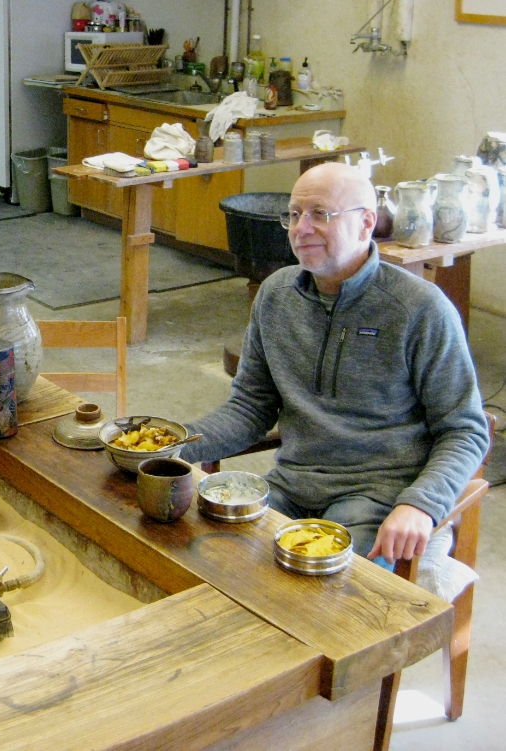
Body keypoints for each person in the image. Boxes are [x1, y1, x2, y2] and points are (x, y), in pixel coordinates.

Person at [179, 162, 489, 566]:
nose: (301, 228)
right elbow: (250, 408)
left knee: (327, 596)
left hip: (375, 497)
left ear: (365, 223)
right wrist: (175, 444)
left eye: (320, 214)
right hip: (292, 486)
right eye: (293, 215)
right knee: (211, 564)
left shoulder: (420, 309)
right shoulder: (275, 296)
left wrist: (420, 505)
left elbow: (465, 430)